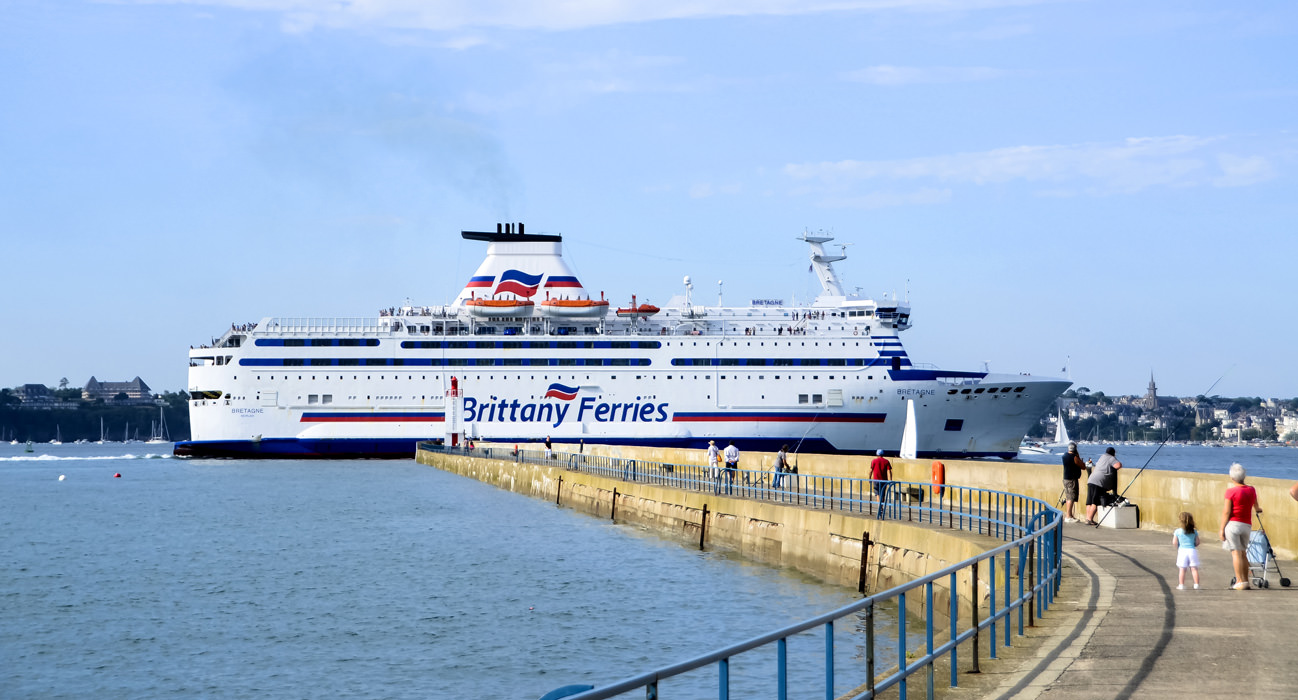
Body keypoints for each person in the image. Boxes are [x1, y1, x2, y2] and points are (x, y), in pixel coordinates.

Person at [1220, 462, 1262, 590]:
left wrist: (1222, 529)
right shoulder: (1251, 489)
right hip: (1246, 525)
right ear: (1244, 476)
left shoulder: (1230, 492)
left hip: (1233, 524)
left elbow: (1226, 512)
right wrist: (1258, 509)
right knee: (1244, 553)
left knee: (1236, 554)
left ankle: (1239, 581)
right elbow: (1256, 505)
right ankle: (1245, 581)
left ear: (1232, 477)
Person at [1085, 447, 1122, 526]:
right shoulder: (1111, 458)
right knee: (1095, 502)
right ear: (1113, 453)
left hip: (1091, 480)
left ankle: (1087, 518)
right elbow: (1118, 466)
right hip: (1099, 482)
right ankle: (1089, 519)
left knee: (1090, 501)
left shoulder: (1102, 456)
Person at [1172, 511, 1201, 590]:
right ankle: (1196, 584)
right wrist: (1193, 545)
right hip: (1192, 550)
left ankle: (1181, 585)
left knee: (1182, 569)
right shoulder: (1194, 531)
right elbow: (1198, 542)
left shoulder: (1177, 531)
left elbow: (1174, 542)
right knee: (1194, 569)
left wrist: (1178, 547)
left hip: (1182, 551)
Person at [1061, 442, 1085, 522]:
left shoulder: (1064, 456)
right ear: (1075, 449)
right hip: (1072, 479)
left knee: (1068, 496)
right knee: (1071, 497)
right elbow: (1083, 466)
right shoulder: (1074, 457)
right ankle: (1068, 516)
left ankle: (1069, 515)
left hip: (1066, 478)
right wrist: (1078, 456)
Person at [870, 449, 893, 519]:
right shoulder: (886, 461)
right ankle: (881, 507)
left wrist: (869, 478)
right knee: (882, 494)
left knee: (878, 494)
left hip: (876, 480)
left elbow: (870, 471)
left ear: (877, 454)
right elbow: (889, 471)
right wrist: (890, 480)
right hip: (884, 481)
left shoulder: (874, 461)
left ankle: (879, 508)